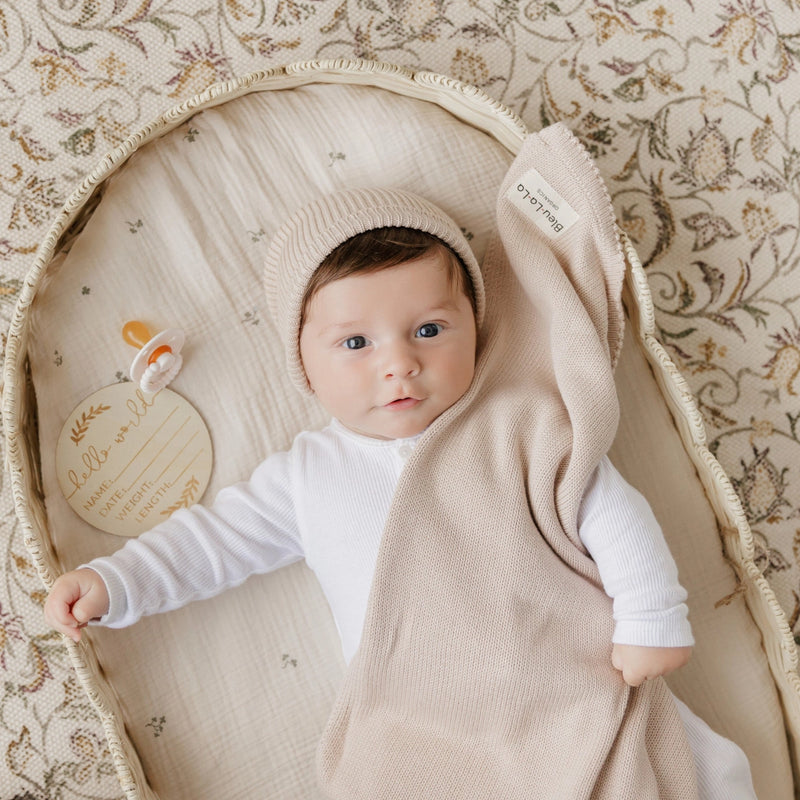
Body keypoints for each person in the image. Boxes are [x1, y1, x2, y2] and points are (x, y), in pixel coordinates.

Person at [45, 186, 755, 799]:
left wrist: (651, 618)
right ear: (303, 361)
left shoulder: (519, 430)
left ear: (475, 325)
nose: (400, 365)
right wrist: (118, 581)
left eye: (428, 329)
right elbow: (212, 542)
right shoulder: (307, 476)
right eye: (356, 344)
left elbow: (611, 510)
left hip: (567, 684)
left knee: (697, 769)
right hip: (427, 719)